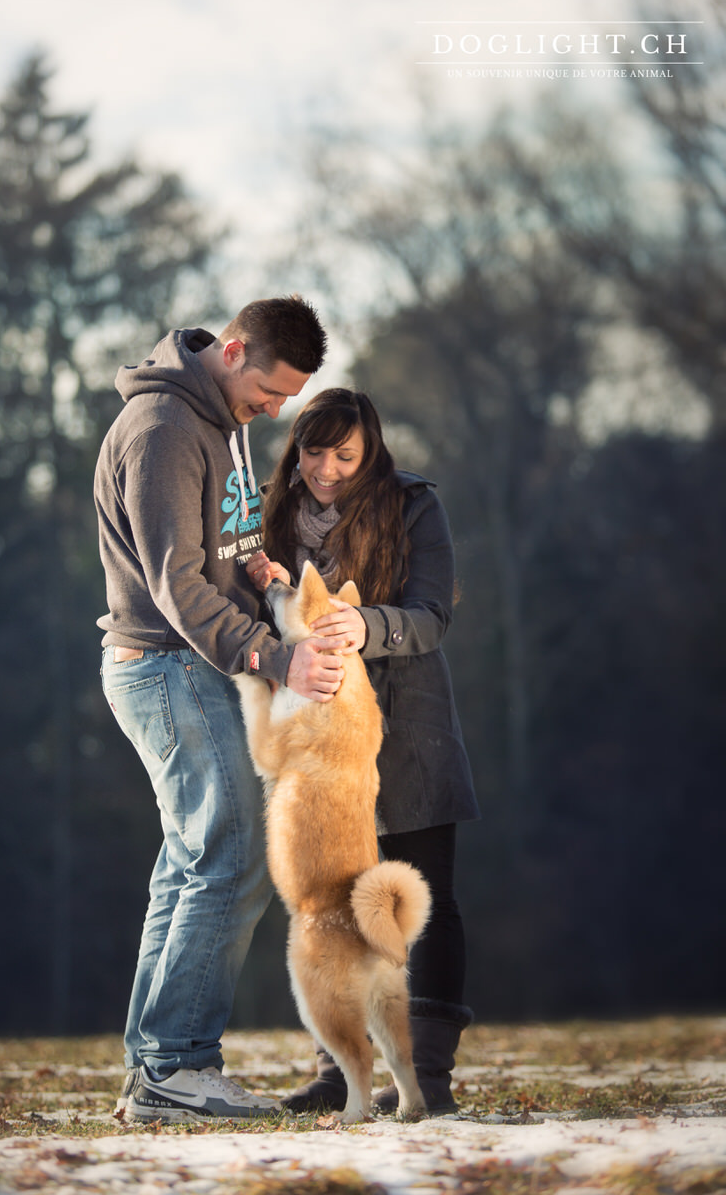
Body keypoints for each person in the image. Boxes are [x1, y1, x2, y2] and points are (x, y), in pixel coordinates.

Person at [94, 296, 340, 1125]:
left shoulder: (218, 413)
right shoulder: (166, 428)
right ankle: (178, 1066)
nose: (276, 413)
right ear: (233, 351)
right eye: (270, 394)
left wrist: (256, 570)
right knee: (231, 857)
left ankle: (152, 1068)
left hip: (185, 664)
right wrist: (275, 655)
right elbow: (176, 585)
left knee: (190, 862)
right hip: (167, 668)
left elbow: (211, 552)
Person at [246, 388, 479, 1116]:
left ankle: (427, 1076)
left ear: (370, 452)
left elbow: (432, 615)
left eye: (344, 456)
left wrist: (365, 626)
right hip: (317, 730)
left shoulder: (415, 506)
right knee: (330, 898)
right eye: (314, 453)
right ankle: (335, 1064)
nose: (326, 470)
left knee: (421, 898)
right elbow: (255, 612)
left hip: (406, 723)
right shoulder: (269, 509)